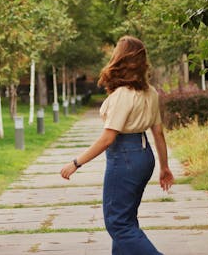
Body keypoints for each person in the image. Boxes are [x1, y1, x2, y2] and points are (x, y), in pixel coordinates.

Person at [60, 35, 174, 255]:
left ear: (120, 58)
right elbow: (158, 133)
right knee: (126, 221)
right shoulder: (150, 92)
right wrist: (164, 167)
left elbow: (107, 138)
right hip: (144, 156)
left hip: (125, 157)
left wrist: (76, 163)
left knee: (118, 224)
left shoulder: (124, 94)